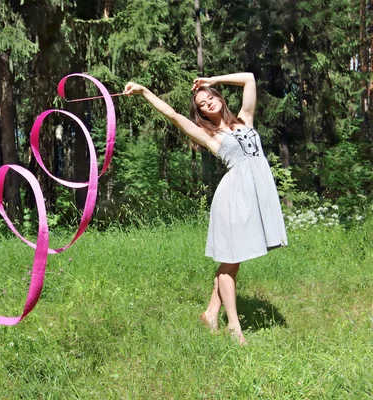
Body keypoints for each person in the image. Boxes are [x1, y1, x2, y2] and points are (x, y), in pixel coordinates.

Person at [123, 73, 288, 345]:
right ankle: (234, 327)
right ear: (200, 112)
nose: (208, 103)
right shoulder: (210, 136)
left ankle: (211, 314)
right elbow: (174, 115)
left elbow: (249, 79)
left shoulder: (246, 119)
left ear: (220, 98)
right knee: (230, 261)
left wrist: (212, 79)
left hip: (253, 196)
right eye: (202, 104)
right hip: (233, 198)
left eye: (211, 97)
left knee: (232, 262)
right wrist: (144, 92)